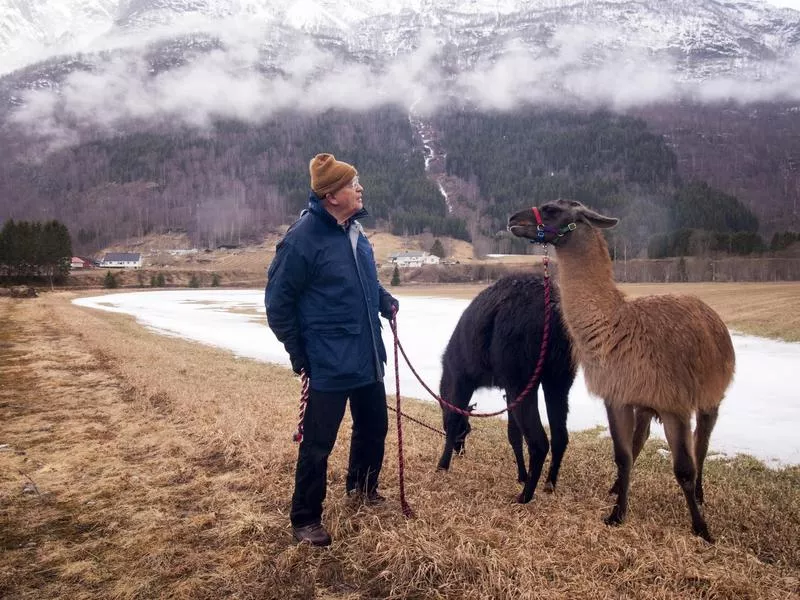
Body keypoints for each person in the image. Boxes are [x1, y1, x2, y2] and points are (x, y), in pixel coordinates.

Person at [265, 153, 400, 547]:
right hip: (326, 362)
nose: (360, 189)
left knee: (374, 427)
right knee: (317, 444)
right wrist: (300, 354)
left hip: (366, 354)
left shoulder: (355, 234)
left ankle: (361, 489)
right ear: (331, 196)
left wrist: (384, 300)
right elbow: (278, 305)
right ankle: (305, 519)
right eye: (352, 184)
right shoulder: (301, 240)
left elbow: (364, 285)